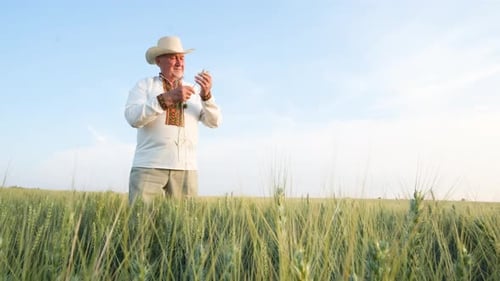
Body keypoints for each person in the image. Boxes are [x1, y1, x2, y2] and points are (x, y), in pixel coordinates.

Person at [125, 35, 222, 203]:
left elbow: (214, 122)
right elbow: (133, 118)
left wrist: (206, 96)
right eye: (173, 57)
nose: (179, 62)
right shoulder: (145, 85)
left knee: (184, 225)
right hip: (148, 167)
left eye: (181, 58)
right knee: (142, 225)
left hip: (186, 169)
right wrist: (167, 98)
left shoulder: (193, 92)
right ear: (158, 61)